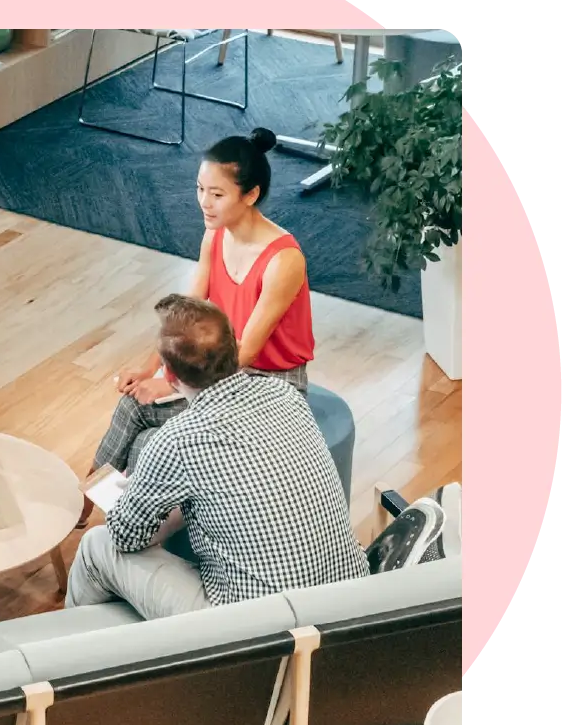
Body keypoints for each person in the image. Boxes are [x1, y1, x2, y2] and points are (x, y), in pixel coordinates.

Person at [67, 294, 368, 620]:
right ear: (235, 348)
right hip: (349, 604)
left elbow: (125, 537)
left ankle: (70, 645)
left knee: (96, 546)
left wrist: (139, 500)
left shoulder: (177, 440)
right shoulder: (286, 395)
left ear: (170, 377)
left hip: (257, 628)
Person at [78, 126, 315, 527]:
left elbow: (245, 353)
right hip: (218, 368)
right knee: (133, 405)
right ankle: (84, 503)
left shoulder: (284, 260)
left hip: (269, 384)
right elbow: (185, 318)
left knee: (152, 443)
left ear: (251, 194)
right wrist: (151, 368)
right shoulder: (215, 236)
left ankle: (130, 528)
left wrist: (172, 384)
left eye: (217, 194)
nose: (205, 202)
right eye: (200, 189)